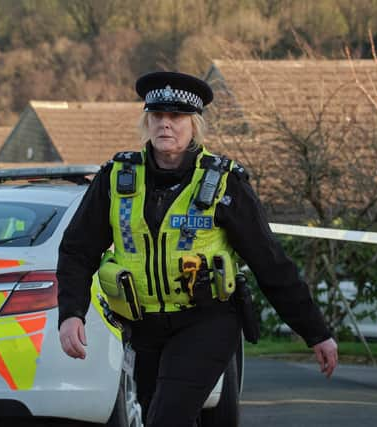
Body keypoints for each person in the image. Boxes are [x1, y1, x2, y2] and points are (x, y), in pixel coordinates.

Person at [57, 71, 338, 427]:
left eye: (176, 117)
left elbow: (271, 264)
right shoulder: (116, 178)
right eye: (157, 116)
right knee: (158, 412)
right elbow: (77, 251)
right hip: (144, 326)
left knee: (167, 419)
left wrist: (316, 332)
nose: (166, 125)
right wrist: (71, 313)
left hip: (207, 320)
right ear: (147, 121)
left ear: (195, 125)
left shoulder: (223, 183)